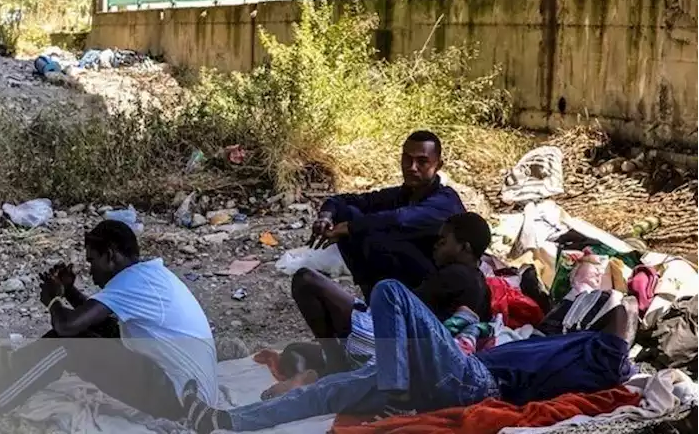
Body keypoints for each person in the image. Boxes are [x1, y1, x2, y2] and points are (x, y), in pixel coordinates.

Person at [182, 277, 634, 433]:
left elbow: (624, 314)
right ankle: (224, 422)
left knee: (390, 291)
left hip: (474, 385)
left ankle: (394, 387)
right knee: (332, 390)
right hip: (452, 379)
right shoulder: (553, 340)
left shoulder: (603, 355)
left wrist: (625, 294)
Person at [0, 220, 220, 432]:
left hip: (181, 397)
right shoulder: (147, 276)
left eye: (93, 261)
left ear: (111, 255)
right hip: (185, 385)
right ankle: (5, 366)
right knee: (89, 334)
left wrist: (53, 301)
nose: (91, 270)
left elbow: (67, 327)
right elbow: (100, 318)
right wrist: (70, 292)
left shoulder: (134, 282)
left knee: (70, 347)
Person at [280, 213, 494, 383]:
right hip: (412, 352)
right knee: (294, 351)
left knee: (306, 279)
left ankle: (335, 366)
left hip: (392, 349)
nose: (436, 245)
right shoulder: (480, 285)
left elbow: (395, 312)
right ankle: (333, 362)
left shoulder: (456, 275)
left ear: (464, 248)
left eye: (443, 241)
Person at [311, 130, 465, 297]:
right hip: (407, 272)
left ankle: (392, 302)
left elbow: (401, 219)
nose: (412, 167)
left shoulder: (445, 201)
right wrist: (325, 217)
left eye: (422, 161)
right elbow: (344, 201)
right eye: (407, 159)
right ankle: (373, 295)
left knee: (377, 236)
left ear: (438, 166)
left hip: (441, 285)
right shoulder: (401, 194)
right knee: (350, 214)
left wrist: (350, 228)